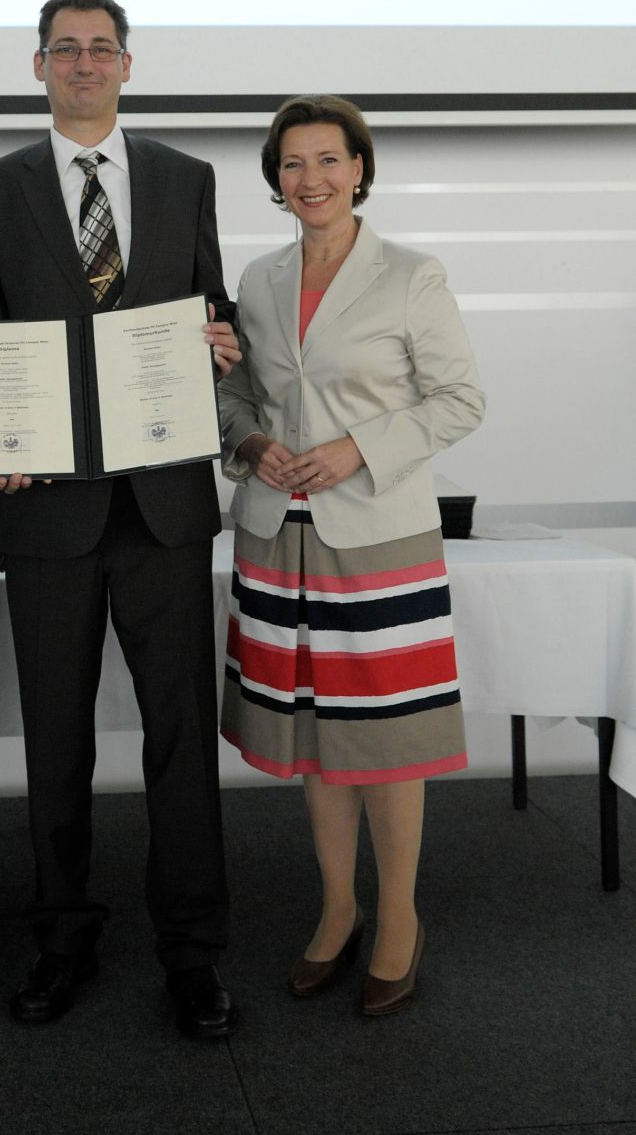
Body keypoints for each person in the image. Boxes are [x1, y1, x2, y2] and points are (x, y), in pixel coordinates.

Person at [0, 0, 242, 1040]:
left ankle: (192, 952)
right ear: (39, 67)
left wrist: (221, 340)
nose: (83, 63)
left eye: (100, 48)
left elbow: (211, 310)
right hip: (47, 514)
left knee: (180, 738)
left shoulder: (184, 178)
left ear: (128, 63)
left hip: (163, 504)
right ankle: (62, 936)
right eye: (64, 49)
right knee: (57, 738)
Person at [219, 94, 484, 1016]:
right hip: (273, 532)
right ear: (275, 180)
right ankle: (337, 910)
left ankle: (400, 916)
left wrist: (357, 449)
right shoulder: (256, 280)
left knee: (384, 738)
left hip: (376, 534)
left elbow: (459, 401)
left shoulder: (411, 275)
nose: (312, 179)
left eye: (329, 160)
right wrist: (252, 447)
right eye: (293, 164)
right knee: (316, 740)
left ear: (360, 169)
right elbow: (236, 401)